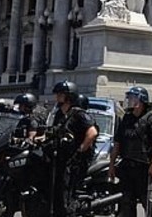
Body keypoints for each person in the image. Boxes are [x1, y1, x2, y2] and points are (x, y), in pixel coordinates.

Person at [111, 86, 152, 217]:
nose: (130, 100)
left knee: (149, 203)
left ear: (141, 101)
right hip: (127, 166)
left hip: (144, 167)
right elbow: (117, 143)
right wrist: (112, 164)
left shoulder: (151, 119)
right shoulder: (126, 119)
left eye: (133, 98)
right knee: (126, 202)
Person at [49, 80, 98, 217]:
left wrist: (80, 150)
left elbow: (92, 133)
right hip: (60, 158)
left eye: (60, 94)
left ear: (68, 96)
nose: (57, 97)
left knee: (66, 194)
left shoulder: (79, 114)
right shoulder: (60, 114)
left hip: (73, 161)